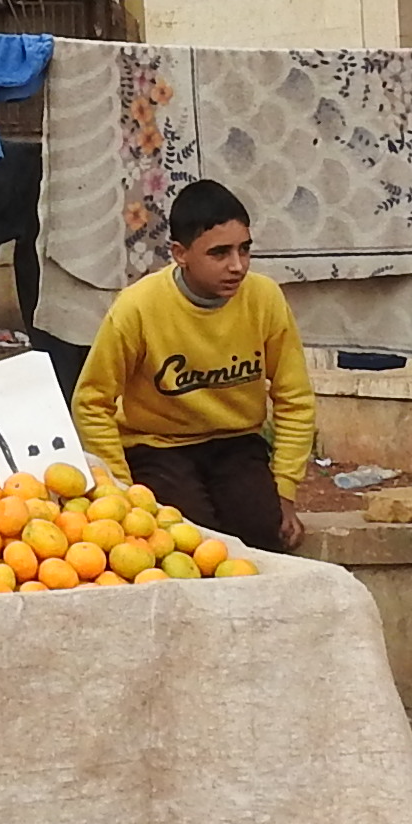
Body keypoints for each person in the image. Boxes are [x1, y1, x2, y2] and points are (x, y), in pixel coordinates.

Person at [66, 177, 312, 549]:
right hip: (157, 446)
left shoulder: (265, 299)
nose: (237, 266)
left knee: (264, 533)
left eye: (244, 250)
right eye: (219, 253)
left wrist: (285, 490)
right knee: (190, 542)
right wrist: (121, 491)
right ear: (180, 253)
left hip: (235, 443)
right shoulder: (138, 307)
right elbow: (91, 401)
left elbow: (295, 398)